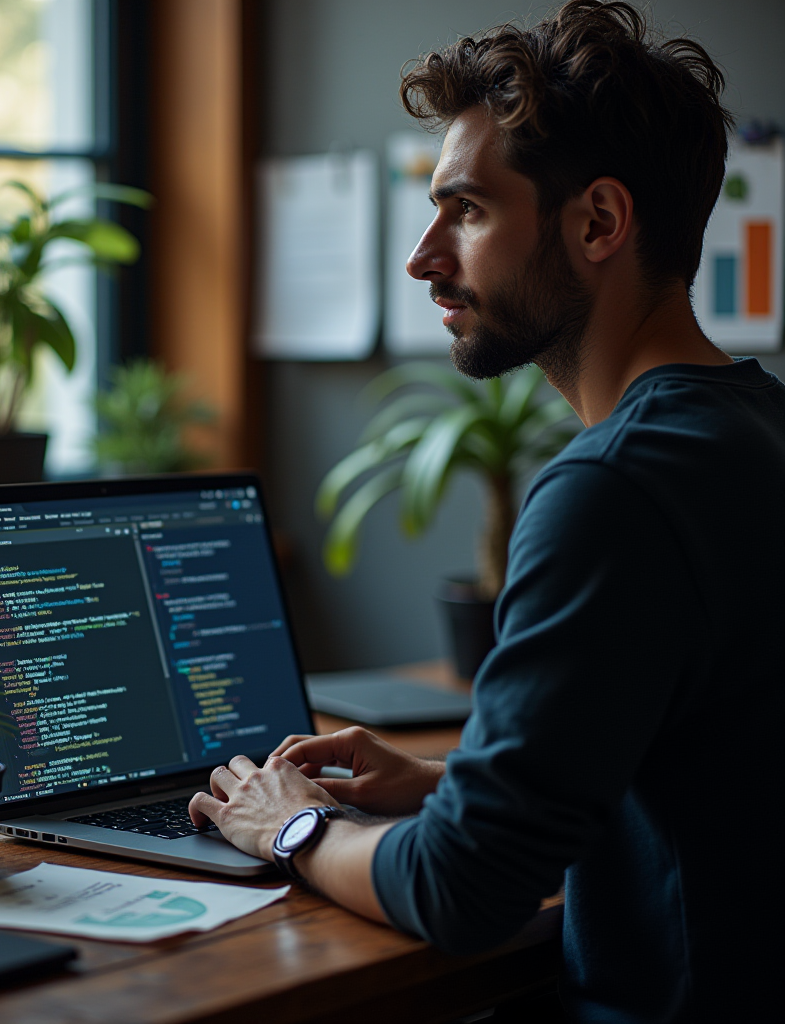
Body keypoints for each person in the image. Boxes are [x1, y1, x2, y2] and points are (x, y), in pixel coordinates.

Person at [189, 1, 785, 1020]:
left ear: (598, 222)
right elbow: (711, 773)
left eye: (465, 211)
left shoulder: (617, 487)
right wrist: (445, 783)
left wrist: (288, 826)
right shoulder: (751, 429)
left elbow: (463, 890)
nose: (423, 256)